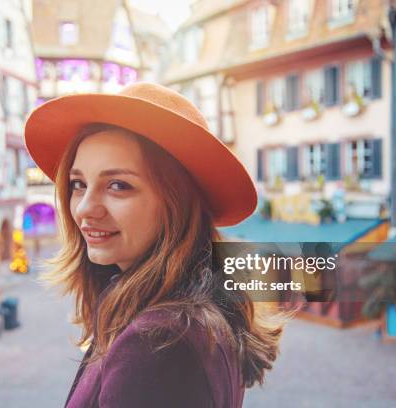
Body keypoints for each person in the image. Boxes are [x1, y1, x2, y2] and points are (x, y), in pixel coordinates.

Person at [25, 82, 288, 407]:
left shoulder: (158, 343)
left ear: (176, 202)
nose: (84, 208)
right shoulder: (189, 312)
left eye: (118, 185)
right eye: (78, 184)